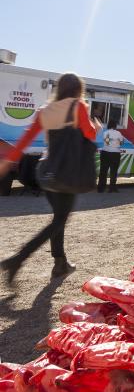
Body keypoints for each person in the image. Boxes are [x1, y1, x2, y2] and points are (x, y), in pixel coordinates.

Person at [0, 72, 98, 284]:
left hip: (46, 171)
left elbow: (25, 139)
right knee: (59, 220)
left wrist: (7, 163)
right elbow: (90, 134)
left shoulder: (44, 110)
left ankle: (60, 263)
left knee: (57, 218)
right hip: (68, 172)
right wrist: (95, 126)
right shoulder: (78, 106)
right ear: (77, 89)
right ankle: (18, 259)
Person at [97, 119, 123, 193]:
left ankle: (101, 188)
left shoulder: (106, 132)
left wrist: (111, 141)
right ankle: (112, 188)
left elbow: (107, 142)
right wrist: (116, 142)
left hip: (105, 152)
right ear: (115, 126)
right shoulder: (118, 133)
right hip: (115, 153)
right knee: (113, 171)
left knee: (103, 171)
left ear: (108, 125)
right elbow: (121, 143)